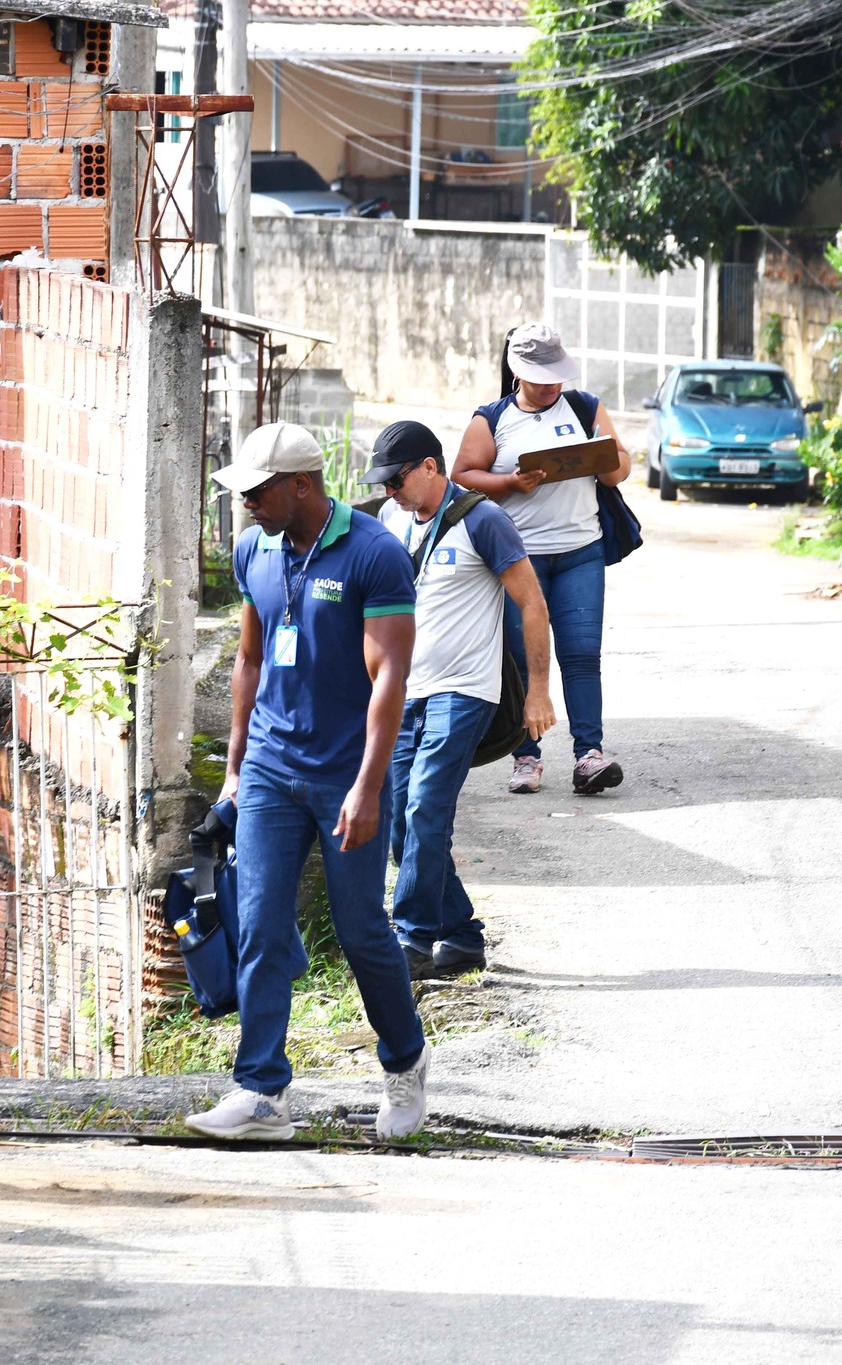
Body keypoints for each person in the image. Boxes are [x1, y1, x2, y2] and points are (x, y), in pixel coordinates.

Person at [186, 421, 433, 1142]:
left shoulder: (373, 555)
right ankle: (261, 1090)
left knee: (362, 931)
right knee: (259, 923)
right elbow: (249, 660)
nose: (246, 506)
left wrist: (367, 784)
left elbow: (390, 674)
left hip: (344, 773)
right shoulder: (253, 549)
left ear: (301, 485)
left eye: (258, 492)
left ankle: (406, 1061)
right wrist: (234, 768)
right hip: (268, 768)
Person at [367, 421, 558, 978]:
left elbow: (533, 605)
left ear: (431, 467)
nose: (389, 492)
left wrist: (540, 691)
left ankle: (412, 939)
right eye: (382, 484)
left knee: (427, 807)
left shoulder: (484, 520)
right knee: (401, 824)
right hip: (404, 692)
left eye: (396, 480)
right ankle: (464, 936)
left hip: (465, 690)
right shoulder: (390, 520)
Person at [451, 322, 633, 798]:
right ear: (516, 371)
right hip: (518, 560)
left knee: (580, 655)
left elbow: (619, 473)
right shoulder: (491, 419)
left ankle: (589, 755)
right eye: (540, 376)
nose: (552, 385)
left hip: (580, 551)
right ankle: (526, 757)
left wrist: (603, 454)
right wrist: (510, 483)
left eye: (557, 375)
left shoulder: (585, 407)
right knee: (520, 660)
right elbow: (463, 474)